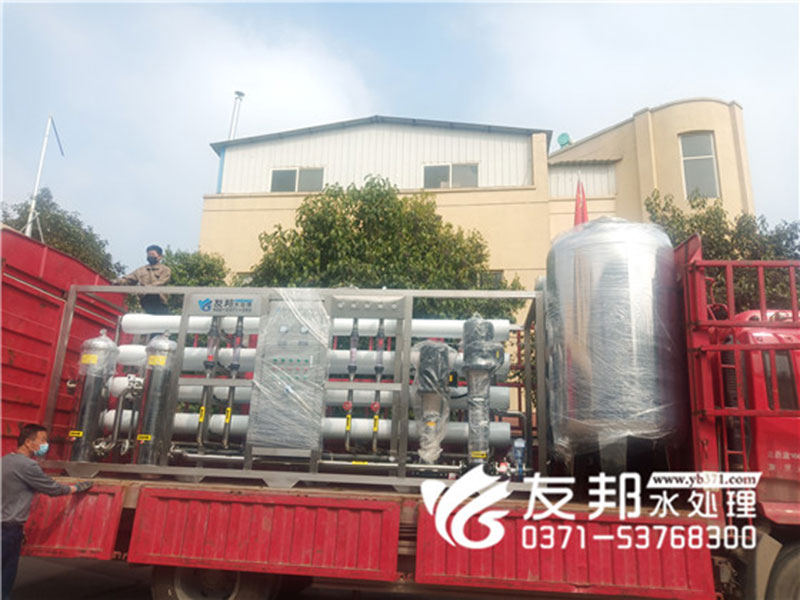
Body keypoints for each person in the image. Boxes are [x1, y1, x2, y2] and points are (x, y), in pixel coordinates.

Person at [2, 424, 93, 600]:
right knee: (5, 577)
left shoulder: (4, 460)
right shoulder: (28, 466)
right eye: (42, 440)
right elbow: (53, 488)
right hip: (7, 531)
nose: (46, 444)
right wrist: (76, 488)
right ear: (28, 442)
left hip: (8, 526)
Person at [114, 244, 172, 314]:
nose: (150, 256)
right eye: (148, 255)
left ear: (160, 256)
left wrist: (147, 288)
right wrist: (117, 281)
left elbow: (162, 282)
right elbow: (129, 280)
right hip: (145, 300)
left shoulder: (165, 270)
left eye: (152, 254)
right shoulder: (141, 270)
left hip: (160, 301)